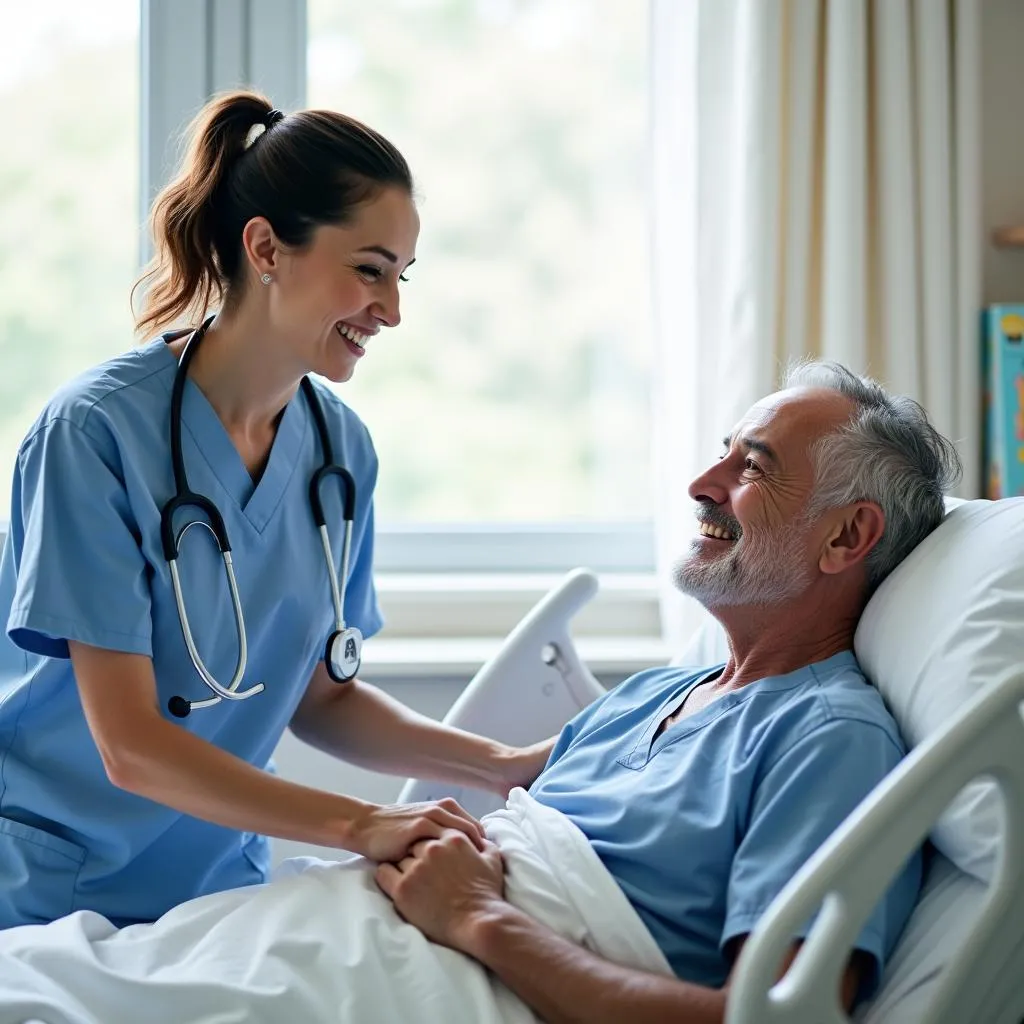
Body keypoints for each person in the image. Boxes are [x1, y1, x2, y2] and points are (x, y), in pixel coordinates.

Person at [0, 90, 551, 931]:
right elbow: (130, 746)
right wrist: (364, 825)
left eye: (401, 277)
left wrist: (502, 765)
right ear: (265, 247)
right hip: (53, 894)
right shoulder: (97, 434)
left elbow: (322, 699)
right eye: (368, 269)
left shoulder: (340, 454)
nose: (392, 310)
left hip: (218, 891)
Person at [377, 362, 963, 1022]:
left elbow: (774, 1016)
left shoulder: (830, 739)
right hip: (372, 933)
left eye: (754, 468)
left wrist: (478, 917)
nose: (700, 485)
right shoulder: (655, 693)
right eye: (724, 453)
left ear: (846, 536)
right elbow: (506, 779)